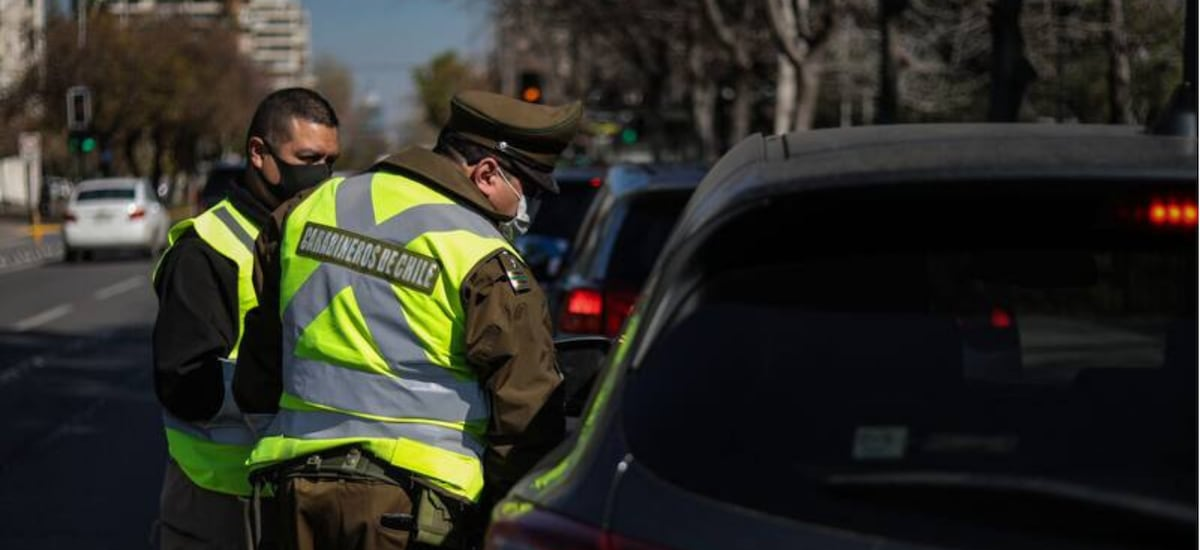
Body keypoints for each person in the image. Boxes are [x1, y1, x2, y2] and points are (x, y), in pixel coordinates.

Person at [232, 90, 582, 550]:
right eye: (528, 191)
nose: (526, 208)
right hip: (415, 514)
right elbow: (527, 422)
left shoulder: (305, 209)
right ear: (486, 173)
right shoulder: (484, 258)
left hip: (294, 495)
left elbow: (258, 371)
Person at [152, 87, 340, 549]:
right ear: (259, 153)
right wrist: (290, 382)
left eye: (331, 161)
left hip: (303, 489)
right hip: (220, 497)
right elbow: (185, 383)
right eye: (308, 159)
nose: (321, 175)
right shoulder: (206, 250)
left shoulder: (320, 238)